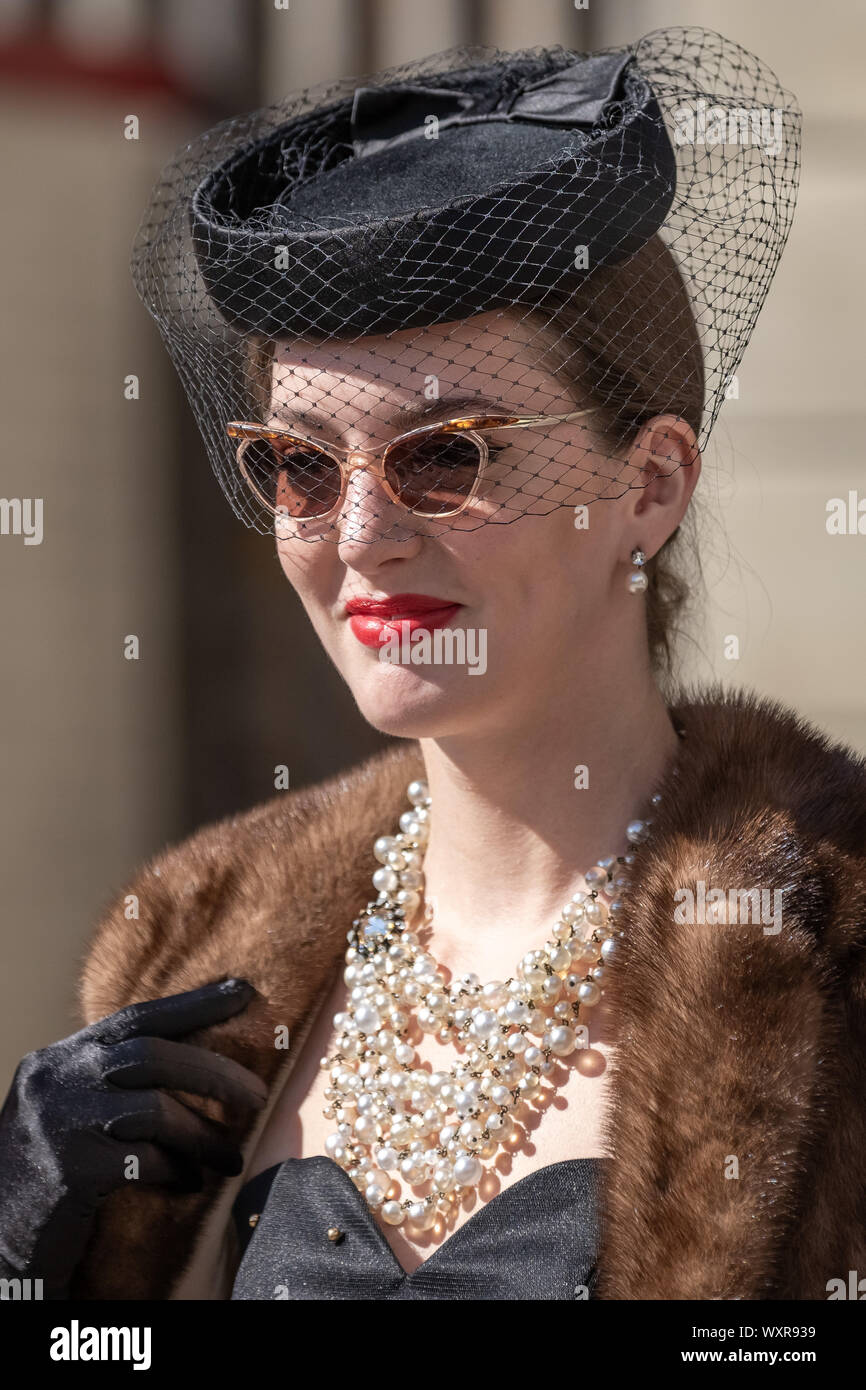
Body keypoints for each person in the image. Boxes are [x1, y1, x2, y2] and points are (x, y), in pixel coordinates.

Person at [4, 30, 863, 1303]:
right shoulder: (190, 962)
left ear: (651, 481)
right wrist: (29, 1267)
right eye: (298, 465)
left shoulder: (825, 955)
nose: (359, 537)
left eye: (445, 454)